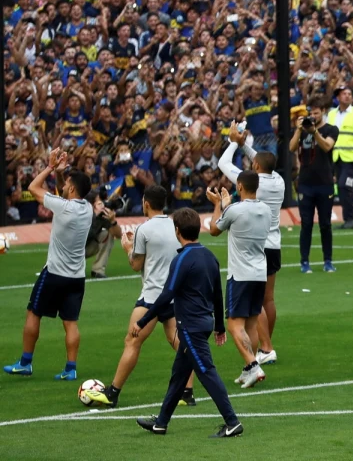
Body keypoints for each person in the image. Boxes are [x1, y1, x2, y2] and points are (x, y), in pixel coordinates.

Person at [133, 208, 243, 439]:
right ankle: (161, 423)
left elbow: (166, 295)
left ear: (177, 231)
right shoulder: (209, 257)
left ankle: (232, 422)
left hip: (190, 327)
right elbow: (218, 294)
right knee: (179, 375)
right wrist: (219, 326)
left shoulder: (181, 259)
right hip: (203, 323)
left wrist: (143, 320)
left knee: (206, 372)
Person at [85, 185, 191, 409]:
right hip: (173, 294)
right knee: (178, 341)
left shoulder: (144, 229)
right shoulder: (175, 226)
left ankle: (113, 392)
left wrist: (127, 247)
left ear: (146, 203)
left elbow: (136, 264)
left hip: (152, 296)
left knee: (132, 341)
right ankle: (187, 392)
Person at [5, 149, 93, 380]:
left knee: (34, 312)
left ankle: (25, 363)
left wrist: (51, 168)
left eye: (67, 185)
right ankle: (71, 369)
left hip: (54, 273)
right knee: (71, 323)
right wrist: (64, 173)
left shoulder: (63, 207)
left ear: (72, 189)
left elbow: (33, 187)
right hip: (77, 277)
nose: (63, 186)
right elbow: (66, 192)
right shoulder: (88, 208)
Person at [221, 123, 286, 366]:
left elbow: (223, 165)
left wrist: (232, 142)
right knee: (268, 299)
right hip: (275, 243)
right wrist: (243, 144)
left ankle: (266, 347)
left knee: (255, 302)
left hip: (255, 245)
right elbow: (260, 160)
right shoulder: (278, 180)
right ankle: (267, 346)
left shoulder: (251, 181)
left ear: (256, 167)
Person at [206, 172, 271, 388]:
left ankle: (253, 365)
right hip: (259, 273)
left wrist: (219, 205)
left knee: (234, 325)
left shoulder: (234, 210)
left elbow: (214, 229)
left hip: (240, 275)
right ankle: (247, 368)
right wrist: (227, 206)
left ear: (240, 186)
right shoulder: (266, 209)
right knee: (251, 324)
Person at [292, 103, 339, 273]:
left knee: (325, 224)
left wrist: (314, 132)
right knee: (306, 224)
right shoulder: (303, 130)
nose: (313, 116)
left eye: (316, 113)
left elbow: (327, 146)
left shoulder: (331, 129)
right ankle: (304, 261)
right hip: (305, 184)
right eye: (311, 113)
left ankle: (328, 260)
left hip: (325, 183)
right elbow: (291, 147)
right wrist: (299, 129)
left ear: (323, 112)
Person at [328, 87, 353, 230]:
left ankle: (351, 217)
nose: (347, 96)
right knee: (341, 186)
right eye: (344, 94)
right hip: (336, 157)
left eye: (349, 94)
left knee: (345, 185)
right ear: (338, 97)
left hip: (351, 158)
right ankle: (348, 219)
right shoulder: (331, 114)